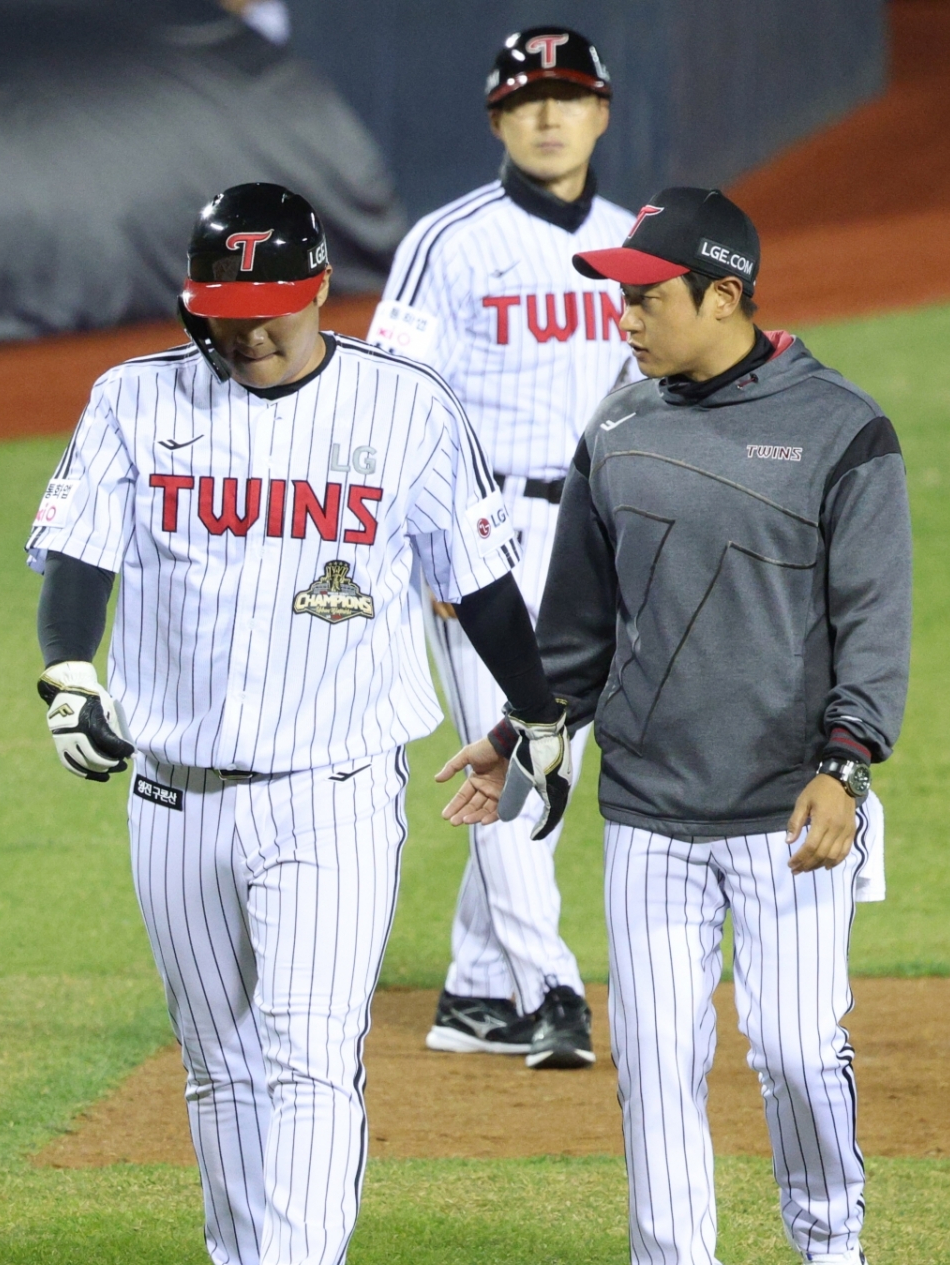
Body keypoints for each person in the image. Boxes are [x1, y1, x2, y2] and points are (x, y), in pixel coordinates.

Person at [25, 182, 569, 1265]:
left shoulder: (405, 407)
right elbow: (79, 554)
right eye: (226, 310)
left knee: (311, 1050)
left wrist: (534, 713)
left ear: (320, 290)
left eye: (271, 306)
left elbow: (481, 582)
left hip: (332, 792)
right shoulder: (135, 400)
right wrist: (68, 672)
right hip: (172, 794)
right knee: (218, 1060)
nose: (249, 331)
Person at [441, 186, 911, 1265]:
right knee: (654, 1061)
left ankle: (830, 1235)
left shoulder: (842, 431)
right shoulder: (618, 426)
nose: (626, 317)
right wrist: (518, 731)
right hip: (650, 808)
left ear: (725, 295)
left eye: (648, 297)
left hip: (790, 809)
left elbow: (874, 621)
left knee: (797, 1050)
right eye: (621, 296)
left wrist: (848, 764)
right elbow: (577, 631)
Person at [368, 25, 638, 1070]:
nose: (548, 114)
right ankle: (549, 986)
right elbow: (393, 400)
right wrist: (429, 545)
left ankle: (479, 991)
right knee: (525, 741)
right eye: (527, 98)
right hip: (481, 532)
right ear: (497, 119)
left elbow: (645, 393)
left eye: (567, 96)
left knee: (549, 750)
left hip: (592, 531)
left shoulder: (631, 241)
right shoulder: (449, 241)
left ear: (600, 112)